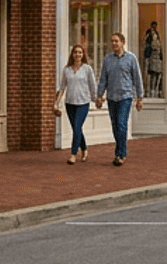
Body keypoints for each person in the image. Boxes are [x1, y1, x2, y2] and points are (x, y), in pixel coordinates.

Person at [98, 31, 144, 166]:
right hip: (112, 97)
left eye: (116, 41)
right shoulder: (107, 59)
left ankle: (121, 153)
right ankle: (119, 151)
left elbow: (137, 78)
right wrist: (99, 96)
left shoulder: (131, 58)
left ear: (122, 42)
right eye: (112, 41)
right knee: (115, 126)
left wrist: (139, 98)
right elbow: (103, 79)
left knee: (122, 124)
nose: (113, 43)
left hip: (125, 97)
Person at [54, 44, 99, 164]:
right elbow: (62, 87)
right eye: (75, 52)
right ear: (72, 54)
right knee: (76, 128)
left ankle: (73, 154)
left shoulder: (87, 69)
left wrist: (96, 99)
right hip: (70, 103)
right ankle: (84, 149)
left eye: (80, 52)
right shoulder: (67, 69)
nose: (78, 54)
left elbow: (93, 86)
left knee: (77, 127)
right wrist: (57, 102)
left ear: (83, 54)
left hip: (83, 102)